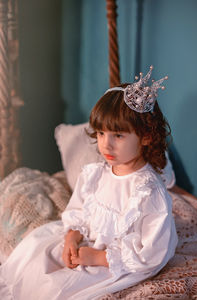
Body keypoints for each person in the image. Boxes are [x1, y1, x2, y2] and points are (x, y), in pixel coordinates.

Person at [0, 66, 178, 300]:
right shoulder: (96, 174)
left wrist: (97, 258)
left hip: (115, 261)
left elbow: (152, 254)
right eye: (101, 134)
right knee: (34, 256)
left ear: (145, 136)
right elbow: (79, 211)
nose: (106, 145)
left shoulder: (148, 191)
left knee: (55, 288)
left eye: (119, 135)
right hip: (88, 243)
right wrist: (72, 238)